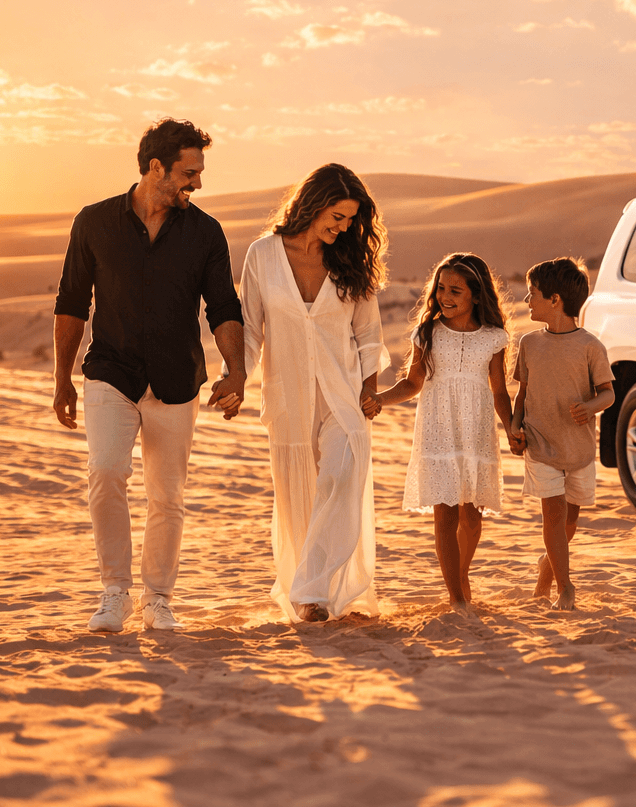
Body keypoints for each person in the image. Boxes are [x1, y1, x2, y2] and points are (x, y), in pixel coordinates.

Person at [53, 117, 247, 634]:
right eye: (190, 171)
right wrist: (61, 379)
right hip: (110, 373)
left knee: (168, 496)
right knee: (106, 473)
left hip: (177, 381)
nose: (198, 183)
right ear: (155, 166)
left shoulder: (205, 232)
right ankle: (114, 592)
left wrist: (237, 370)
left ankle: (157, 598)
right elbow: (72, 302)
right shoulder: (94, 222)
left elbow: (223, 306)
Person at [234, 164, 390, 623]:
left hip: (344, 394)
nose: (342, 228)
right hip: (288, 395)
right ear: (313, 202)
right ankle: (311, 592)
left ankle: (310, 590)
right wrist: (236, 377)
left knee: (339, 479)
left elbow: (369, 334)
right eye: (337, 216)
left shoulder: (350, 260)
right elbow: (249, 329)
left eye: (349, 220)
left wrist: (369, 390)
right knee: (299, 491)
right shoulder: (262, 256)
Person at [370, 253, 519, 611]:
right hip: (438, 429)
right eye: (440, 288)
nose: (444, 296)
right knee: (446, 514)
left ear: (477, 295)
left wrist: (512, 426)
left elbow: (499, 391)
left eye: (455, 290)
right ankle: (456, 598)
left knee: (471, 516)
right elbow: (411, 383)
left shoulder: (494, 338)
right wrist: (379, 400)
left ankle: (461, 576)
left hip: (477, 429)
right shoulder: (428, 333)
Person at [512, 258, 614, 611]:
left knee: (570, 520)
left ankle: (548, 564)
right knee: (553, 515)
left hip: (579, 450)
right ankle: (565, 587)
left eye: (533, 294)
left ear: (555, 300)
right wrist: (514, 426)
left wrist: (591, 407)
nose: (527, 301)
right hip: (540, 445)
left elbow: (608, 392)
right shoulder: (528, 344)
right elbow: (522, 394)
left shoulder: (590, 346)